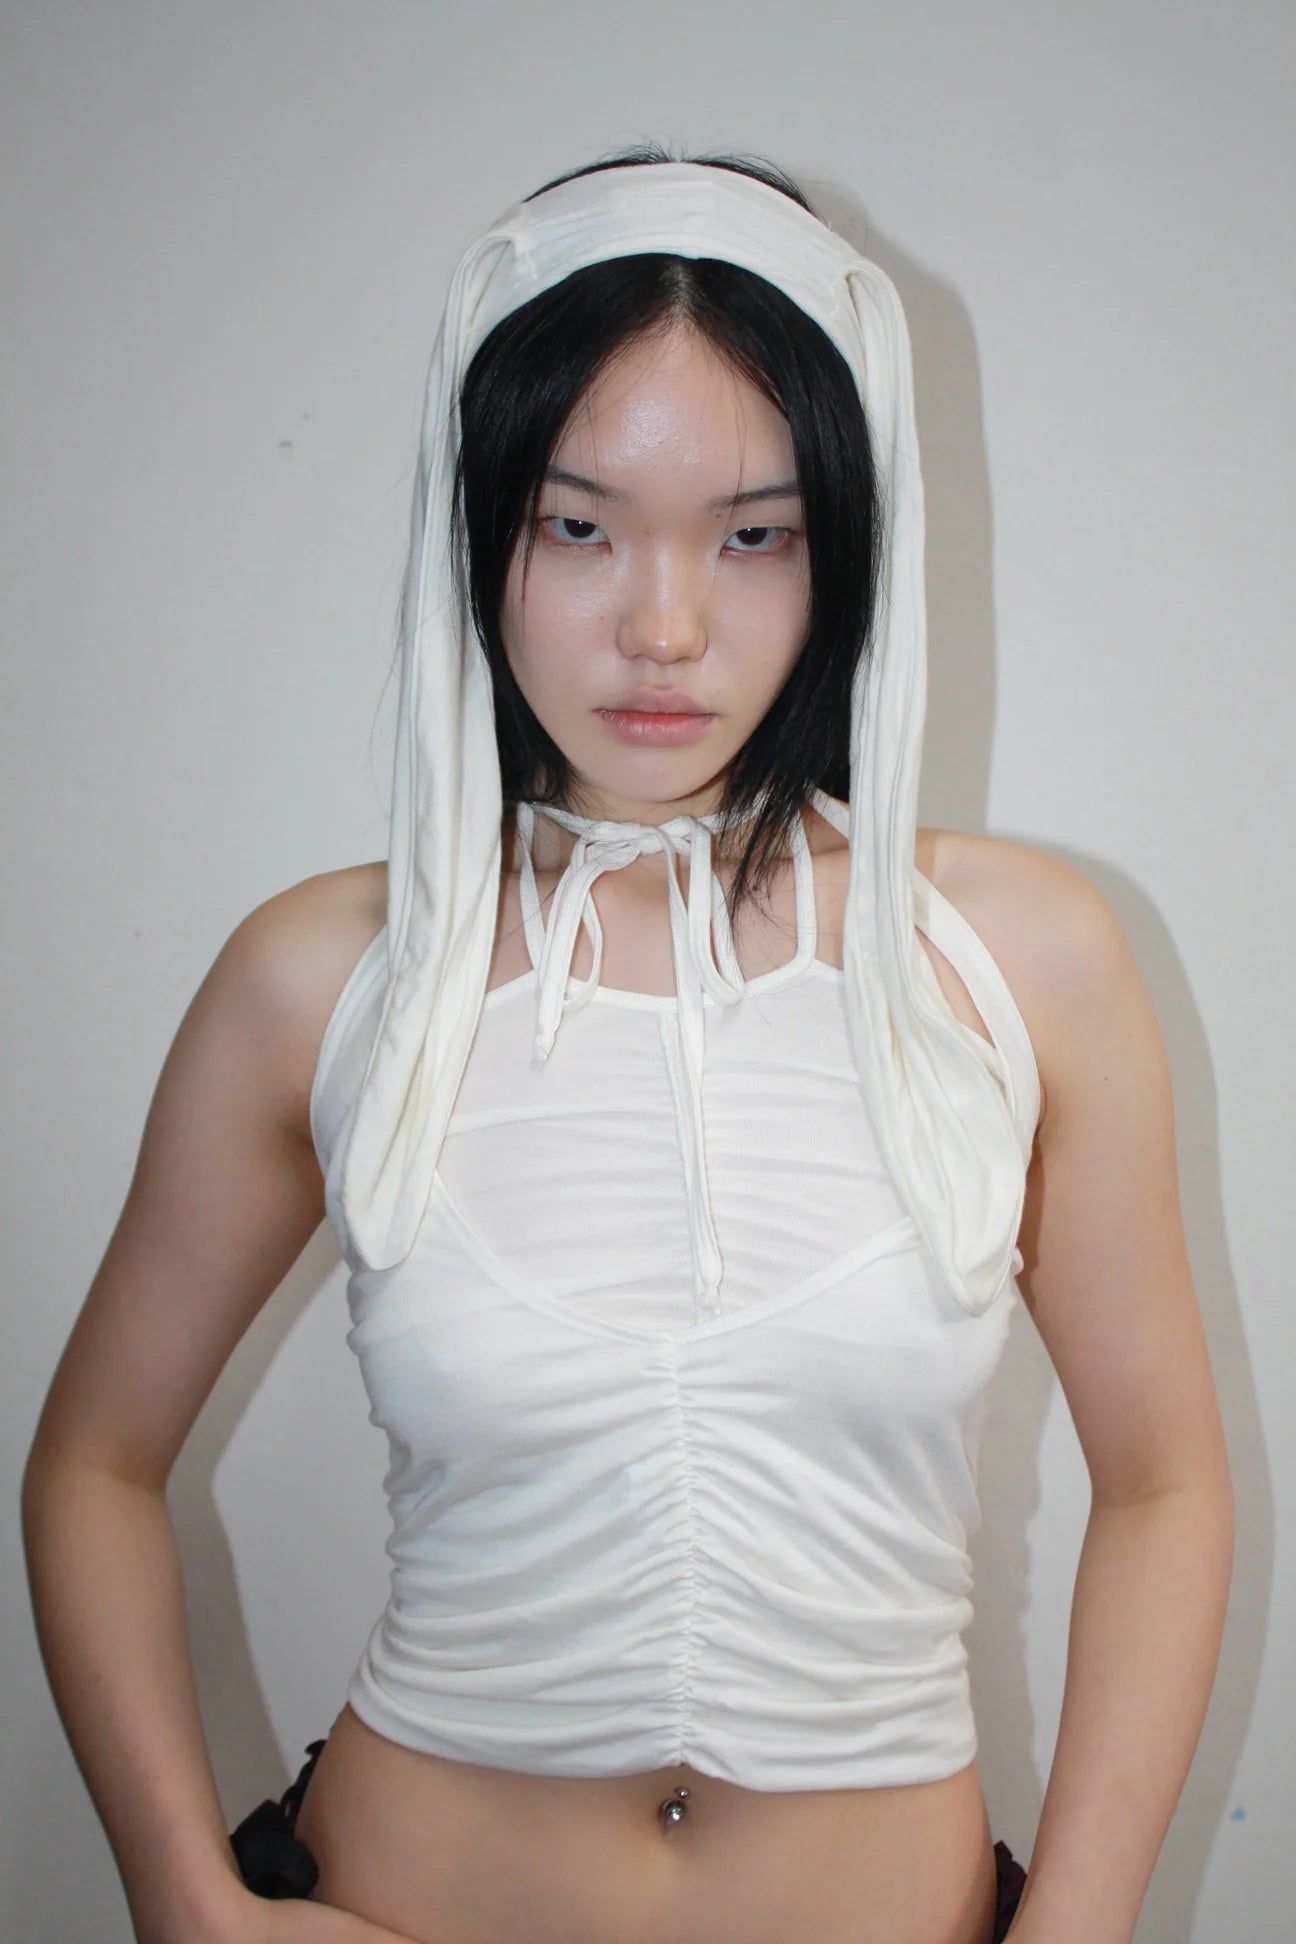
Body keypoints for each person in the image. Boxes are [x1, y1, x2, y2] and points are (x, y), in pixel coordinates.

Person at [21, 146, 1233, 1944]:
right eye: (577, 526)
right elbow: (92, 1467)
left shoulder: (1019, 961)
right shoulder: (327, 977)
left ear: (847, 545)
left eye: (754, 535)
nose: (664, 628)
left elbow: (1166, 1483)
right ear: (476, 525)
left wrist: (1078, 1931)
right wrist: (186, 1903)